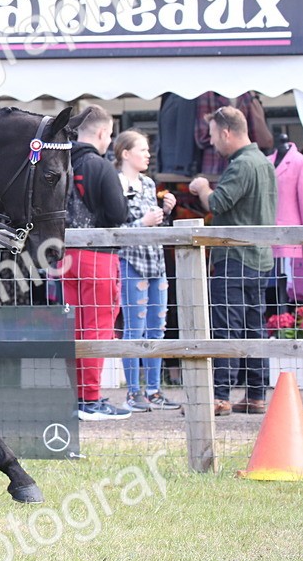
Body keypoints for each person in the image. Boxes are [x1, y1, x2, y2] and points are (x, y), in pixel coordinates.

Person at [189, 106, 278, 416]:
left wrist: (203, 188)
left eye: (213, 135)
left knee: (225, 328)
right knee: (255, 328)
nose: (212, 142)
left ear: (226, 132)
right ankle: (256, 394)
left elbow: (217, 202)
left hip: (235, 258)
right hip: (260, 257)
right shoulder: (264, 163)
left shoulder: (240, 165)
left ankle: (220, 396)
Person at [61, 105, 131, 420]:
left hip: (65, 254)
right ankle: (90, 399)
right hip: (97, 253)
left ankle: (78, 396)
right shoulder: (100, 167)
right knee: (98, 326)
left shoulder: (59, 162)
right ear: (103, 132)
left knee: (75, 326)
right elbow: (119, 214)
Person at [113, 130, 181, 412]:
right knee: (135, 328)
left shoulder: (149, 183)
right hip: (131, 261)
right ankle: (133, 391)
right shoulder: (114, 184)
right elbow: (114, 231)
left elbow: (155, 227)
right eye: (142, 149)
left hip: (155, 262)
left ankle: (154, 390)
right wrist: (143, 223)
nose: (148, 154)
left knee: (157, 327)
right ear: (125, 153)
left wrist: (165, 212)